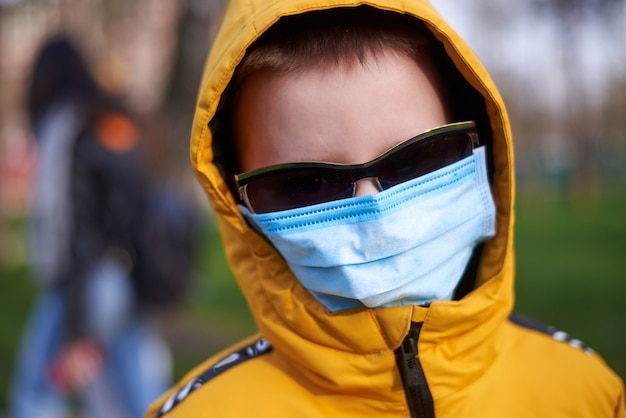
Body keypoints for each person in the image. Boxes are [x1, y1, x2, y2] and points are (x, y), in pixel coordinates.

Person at [146, 1, 625, 417]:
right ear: (237, 204)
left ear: (481, 148)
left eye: (418, 158)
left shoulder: (588, 394)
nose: (371, 209)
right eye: (307, 182)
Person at [10, 35, 173, 418]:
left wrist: (74, 327)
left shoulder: (64, 128)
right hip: (123, 280)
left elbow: (73, 229)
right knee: (138, 393)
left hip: (81, 287)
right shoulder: (107, 121)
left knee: (35, 394)